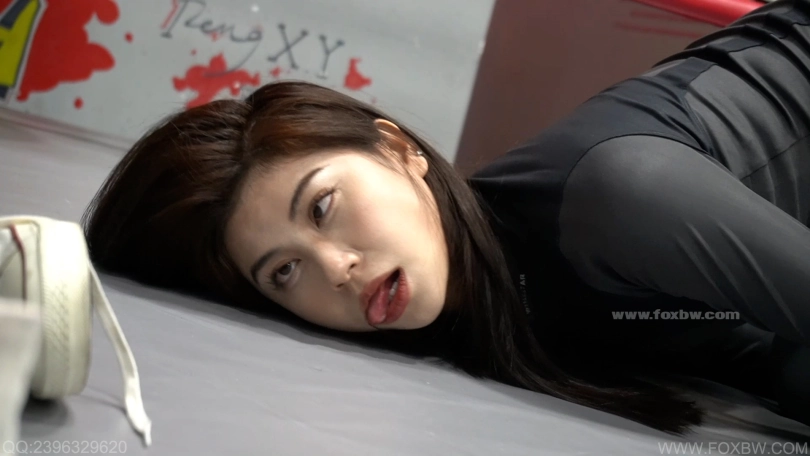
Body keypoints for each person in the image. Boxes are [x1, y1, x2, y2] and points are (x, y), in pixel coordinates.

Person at [83, 0, 810, 434]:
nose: (335, 268)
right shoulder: (504, 310)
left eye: (324, 206)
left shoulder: (615, 198)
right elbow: (753, 352)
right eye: (284, 271)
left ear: (399, 149)